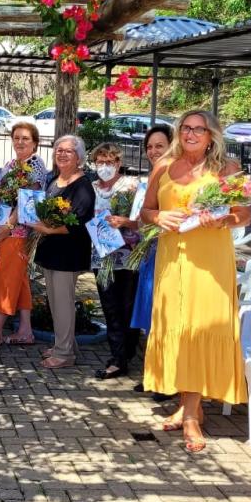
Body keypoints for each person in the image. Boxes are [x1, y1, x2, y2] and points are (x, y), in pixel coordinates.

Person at [140, 109, 250, 453]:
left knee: (200, 329)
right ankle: (192, 406)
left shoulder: (227, 169)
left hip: (211, 263)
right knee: (179, 327)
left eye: (198, 130)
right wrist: (160, 216)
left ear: (211, 136)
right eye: (185, 128)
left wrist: (222, 220)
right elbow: (145, 212)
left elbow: (243, 214)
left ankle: (189, 417)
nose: (190, 134)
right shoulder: (163, 166)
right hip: (173, 260)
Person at [0, 122, 46, 353]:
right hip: (6, 230)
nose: (20, 142)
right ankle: (25, 330)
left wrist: (8, 224)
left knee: (5, 279)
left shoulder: (34, 166)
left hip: (18, 232)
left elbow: (28, 200)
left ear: (35, 143)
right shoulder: (12, 165)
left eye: (25, 138)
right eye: (16, 137)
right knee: (19, 279)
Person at [30, 135, 95, 370]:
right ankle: (65, 344)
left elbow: (78, 221)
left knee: (63, 303)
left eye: (68, 151)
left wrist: (47, 228)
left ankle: (65, 354)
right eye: (59, 150)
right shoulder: (54, 180)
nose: (62, 154)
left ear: (79, 157)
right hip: (51, 250)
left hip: (68, 253)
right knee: (56, 303)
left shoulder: (83, 185)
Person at [88, 142, 141, 380]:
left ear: (119, 163)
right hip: (102, 255)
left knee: (127, 306)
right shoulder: (91, 188)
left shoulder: (131, 186)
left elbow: (141, 220)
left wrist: (125, 222)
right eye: (100, 162)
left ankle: (125, 354)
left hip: (127, 256)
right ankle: (118, 356)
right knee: (109, 306)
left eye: (109, 162)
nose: (105, 166)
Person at [131, 124, 175, 395]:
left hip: (166, 252)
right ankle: (153, 374)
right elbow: (143, 217)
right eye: (149, 147)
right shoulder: (150, 178)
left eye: (159, 146)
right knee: (150, 315)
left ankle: (167, 378)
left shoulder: (176, 177)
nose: (153, 151)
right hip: (149, 251)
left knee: (164, 315)